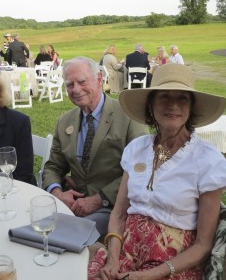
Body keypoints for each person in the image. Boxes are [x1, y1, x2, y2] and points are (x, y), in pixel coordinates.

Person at [88, 63, 226, 280]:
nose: (173, 105)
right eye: (164, 96)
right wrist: (113, 258)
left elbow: (203, 245)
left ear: (191, 106)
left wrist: (151, 275)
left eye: (182, 98)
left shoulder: (208, 161)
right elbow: (119, 213)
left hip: (173, 264)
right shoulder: (136, 149)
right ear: (151, 105)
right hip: (124, 251)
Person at [42, 57, 149, 235]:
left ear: (99, 79)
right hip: (72, 206)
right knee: (35, 226)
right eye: (69, 84)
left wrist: (99, 199)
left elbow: (141, 169)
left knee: (66, 235)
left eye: (82, 81)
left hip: (113, 208)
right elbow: (53, 166)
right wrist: (58, 193)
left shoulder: (129, 116)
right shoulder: (64, 122)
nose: (76, 89)